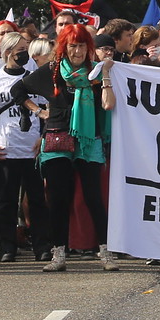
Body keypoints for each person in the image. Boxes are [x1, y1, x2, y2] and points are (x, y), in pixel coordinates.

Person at [40, 22, 116, 272]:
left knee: (94, 197)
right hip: (58, 139)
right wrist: (39, 112)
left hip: (88, 139)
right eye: (73, 46)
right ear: (65, 47)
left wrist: (105, 75)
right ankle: (58, 254)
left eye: (82, 46)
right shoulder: (52, 70)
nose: (78, 51)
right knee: (59, 199)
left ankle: (105, 252)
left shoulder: (95, 72)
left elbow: (108, 105)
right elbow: (20, 89)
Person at [0, 32, 48, 263]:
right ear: (9, 51)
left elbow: (46, 112)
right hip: (6, 147)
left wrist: (43, 137)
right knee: (6, 201)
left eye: (26, 48)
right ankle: (7, 247)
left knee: (37, 200)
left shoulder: (35, 77)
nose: (24, 53)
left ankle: (42, 246)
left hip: (32, 147)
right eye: (21, 48)